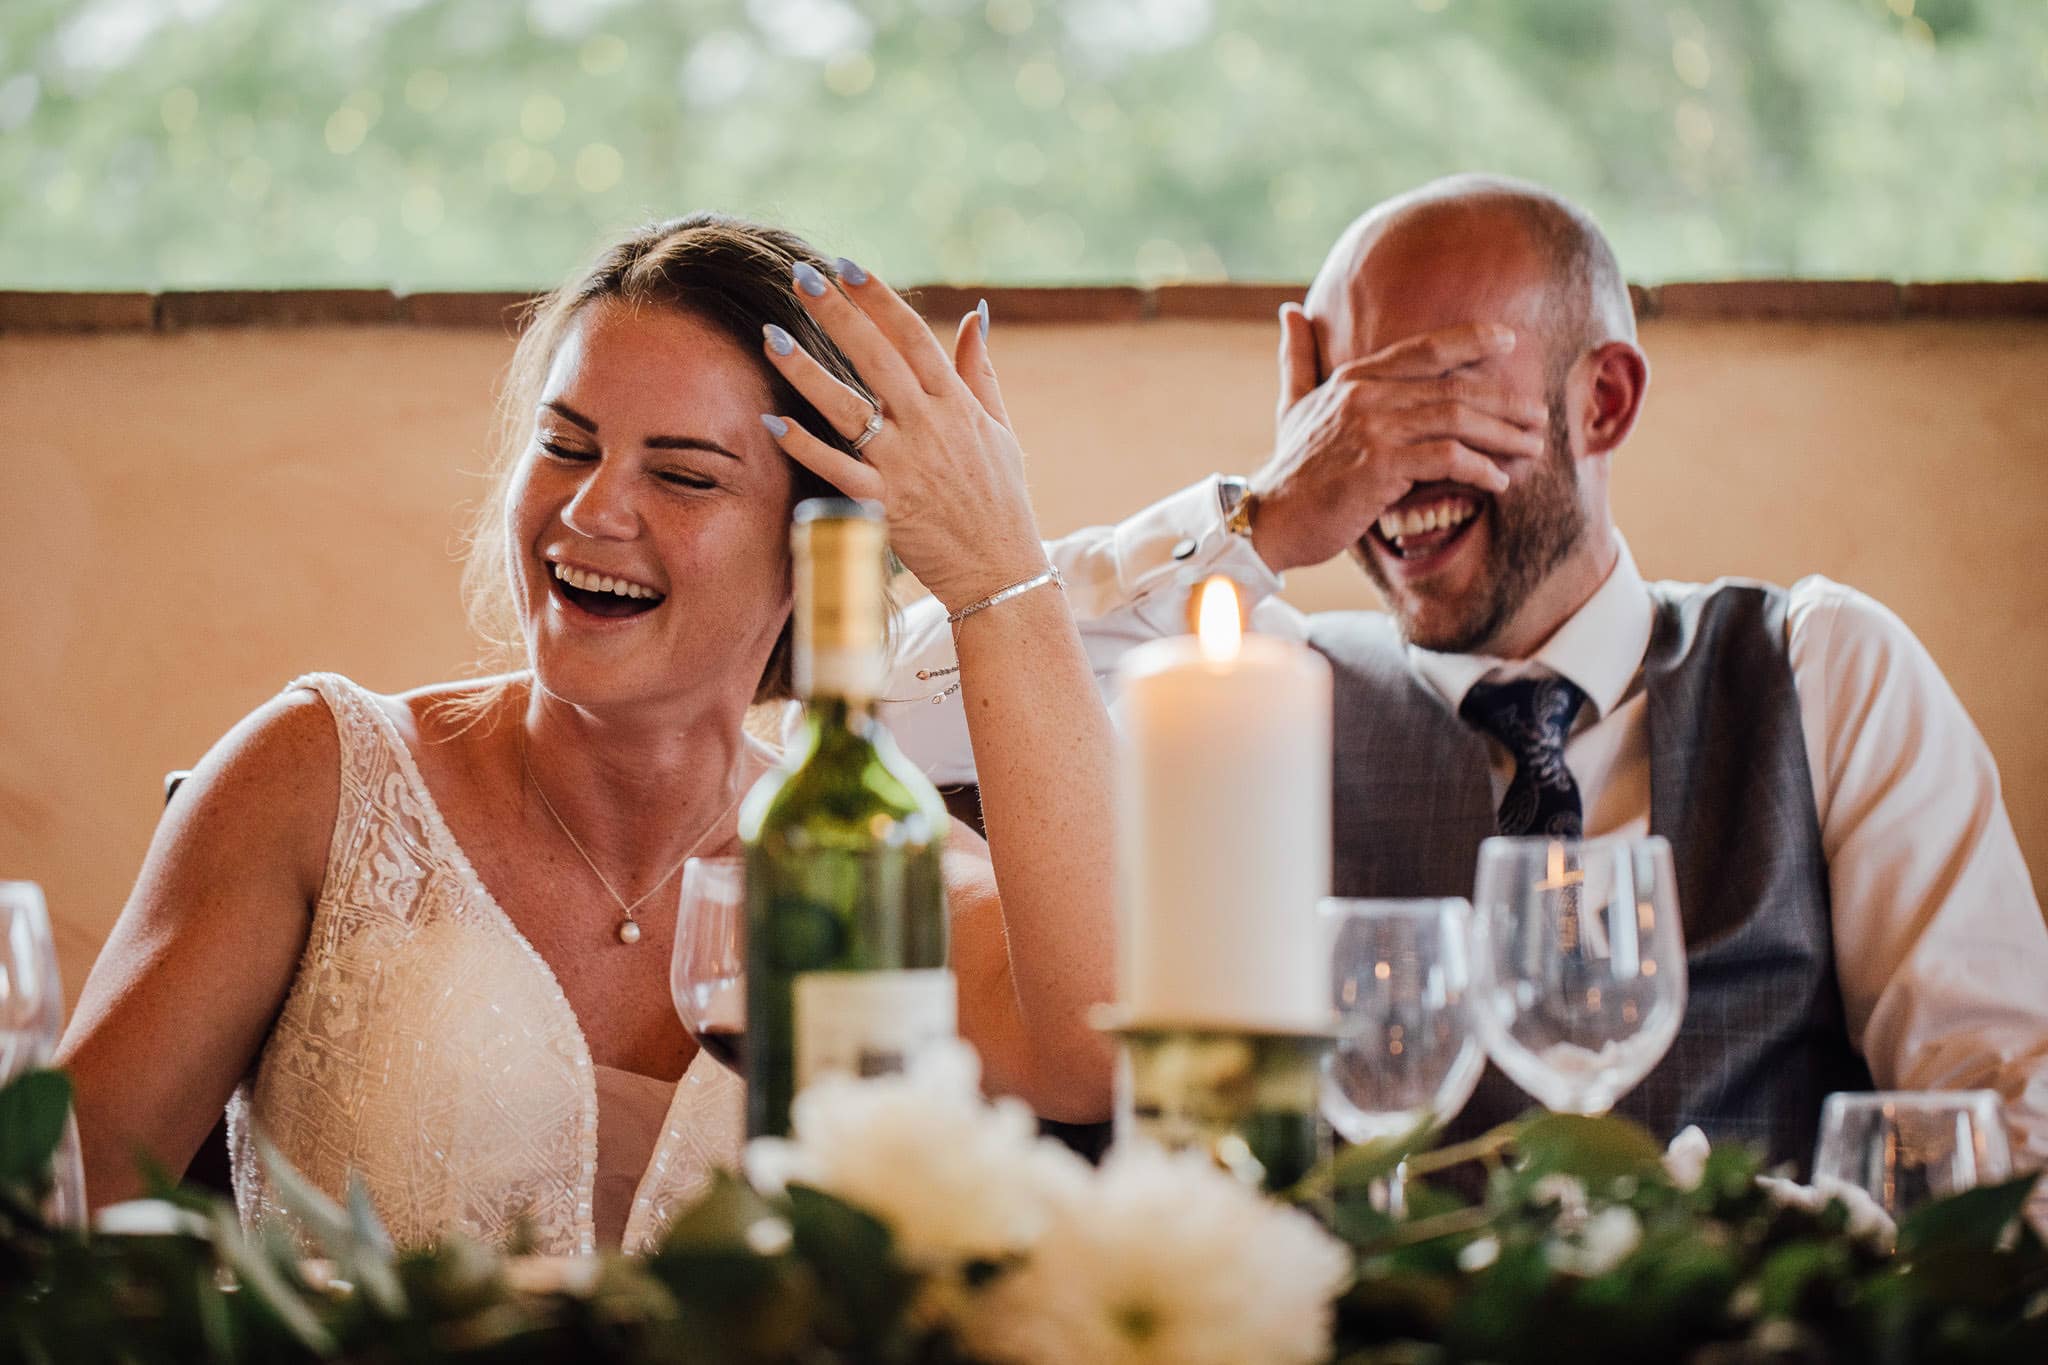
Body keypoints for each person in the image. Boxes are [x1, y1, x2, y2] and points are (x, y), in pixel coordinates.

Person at [886, 174, 2048, 1176]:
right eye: (1342, 416)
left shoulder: (1820, 668)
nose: (1384, 468)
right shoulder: (1256, 692)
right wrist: (1258, 518)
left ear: (1602, 400)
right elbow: (904, 722)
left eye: (1434, 394)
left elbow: (2003, 1119)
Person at [56, 214, 1118, 1253]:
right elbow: (51, 1216)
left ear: (816, 554)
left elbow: (1093, 1056)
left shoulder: (874, 863)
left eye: (684, 475)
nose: (589, 512)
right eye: (565, 445)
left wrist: (996, 576)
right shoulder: (312, 774)